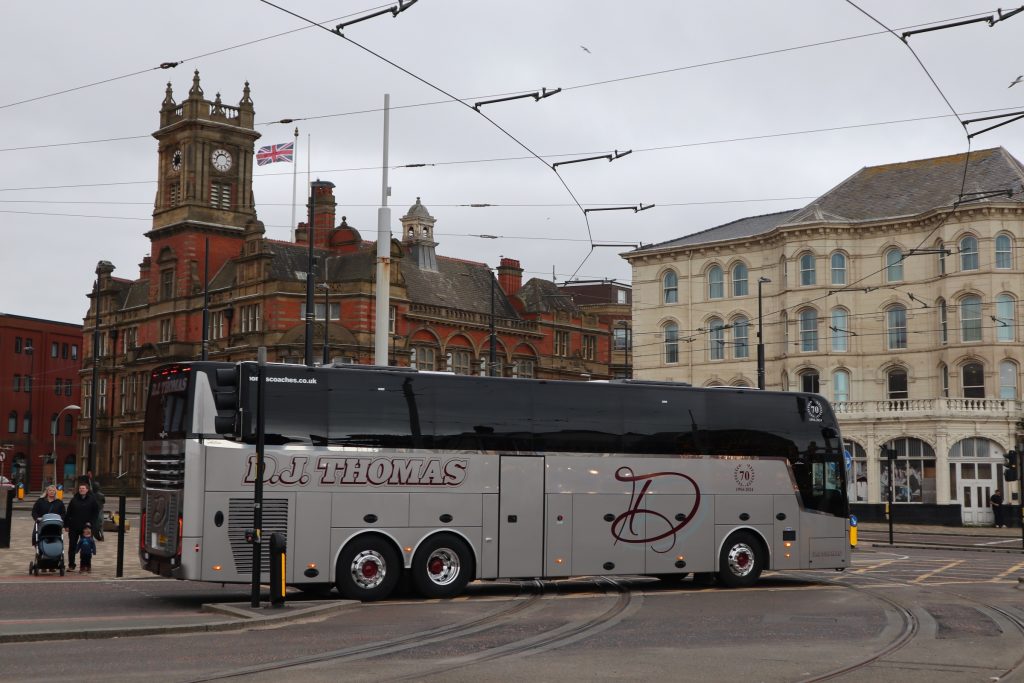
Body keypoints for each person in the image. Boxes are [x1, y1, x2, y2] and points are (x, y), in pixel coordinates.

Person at [64, 479, 100, 572]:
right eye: (80, 488)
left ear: (87, 490)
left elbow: (96, 513)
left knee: (86, 547)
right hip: (74, 526)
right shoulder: (74, 499)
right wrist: (66, 525)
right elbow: (68, 513)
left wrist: (91, 523)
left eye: (83, 488)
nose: (81, 490)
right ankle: (71, 565)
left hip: (86, 527)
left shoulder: (92, 500)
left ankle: (86, 565)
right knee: (72, 546)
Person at [30, 485, 66, 553]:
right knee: (36, 536)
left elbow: (63, 513)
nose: (51, 492)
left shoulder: (59, 502)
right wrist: (37, 518)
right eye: (50, 490)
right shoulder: (40, 501)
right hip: (42, 523)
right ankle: (39, 550)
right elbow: (34, 511)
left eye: (53, 491)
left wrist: (60, 519)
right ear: (47, 492)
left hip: (55, 525)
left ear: (55, 492)